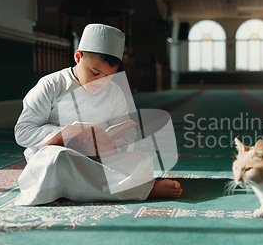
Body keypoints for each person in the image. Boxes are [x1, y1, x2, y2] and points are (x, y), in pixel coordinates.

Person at [14, 24, 182, 205]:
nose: (100, 81)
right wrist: (67, 134)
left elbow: (127, 132)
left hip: (98, 159)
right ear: (78, 57)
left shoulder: (115, 91)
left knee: (141, 160)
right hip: (58, 158)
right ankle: (142, 190)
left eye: (108, 76)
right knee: (58, 160)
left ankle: (80, 188)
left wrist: (111, 144)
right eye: (95, 72)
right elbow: (23, 132)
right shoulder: (51, 85)